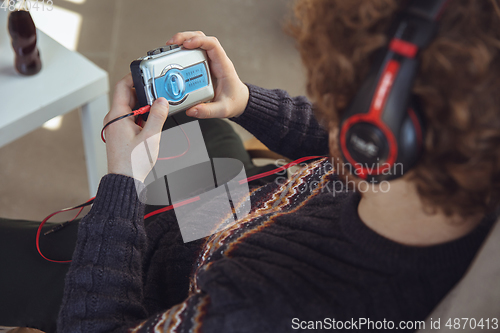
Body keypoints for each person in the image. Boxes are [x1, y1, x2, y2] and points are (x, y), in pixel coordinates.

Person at [55, 0, 500, 332]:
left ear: (373, 133)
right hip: (226, 215)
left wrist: (121, 184)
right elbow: (335, 136)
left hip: (154, 281)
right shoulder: (457, 159)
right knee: (170, 106)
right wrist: (245, 100)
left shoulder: (260, 311)